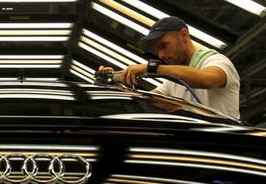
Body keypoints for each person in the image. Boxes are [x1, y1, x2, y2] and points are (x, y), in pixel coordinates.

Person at [101, 16, 240, 119]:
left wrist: (152, 68)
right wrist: (117, 86)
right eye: (157, 51)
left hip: (228, 149)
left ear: (184, 35)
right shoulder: (172, 80)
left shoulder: (217, 61)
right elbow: (148, 99)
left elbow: (208, 80)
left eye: (164, 45)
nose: (161, 55)